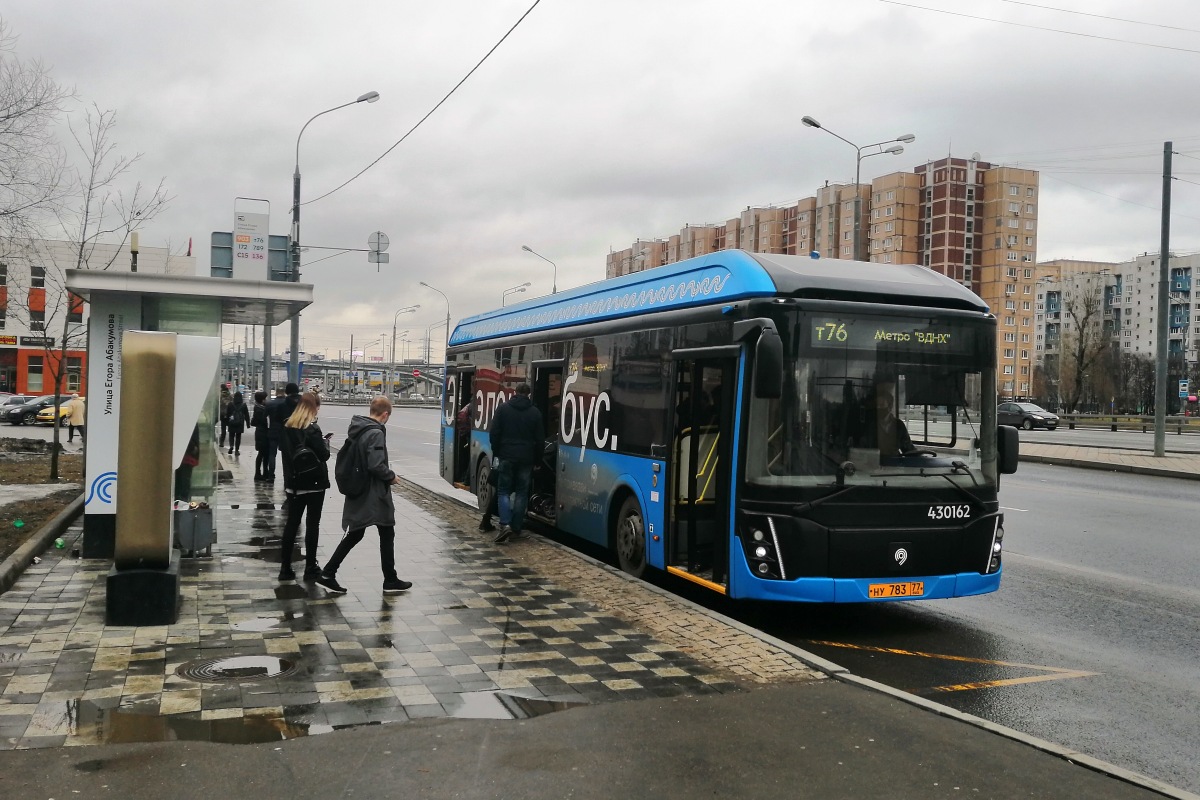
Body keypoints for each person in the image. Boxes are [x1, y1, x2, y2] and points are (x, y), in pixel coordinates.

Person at [315, 395, 411, 595]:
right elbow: (375, 464)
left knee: (372, 532)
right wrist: (391, 476)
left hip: (361, 489)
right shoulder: (375, 432)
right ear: (385, 414)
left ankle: (388, 578)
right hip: (373, 492)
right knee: (372, 532)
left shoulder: (359, 428)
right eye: (388, 416)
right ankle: (329, 573)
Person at [278, 392, 331, 582]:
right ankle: (310, 567)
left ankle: (285, 568)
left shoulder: (287, 426)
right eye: (317, 407)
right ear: (313, 408)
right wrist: (325, 442)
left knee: (292, 523)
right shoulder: (312, 429)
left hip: (293, 483)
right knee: (312, 524)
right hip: (314, 483)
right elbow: (324, 455)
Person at [489, 382, 543, 543]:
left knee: (503, 491)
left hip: (506, 456)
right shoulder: (535, 413)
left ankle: (505, 524)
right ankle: (516, 528)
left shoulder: (503, 409)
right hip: (526, 459)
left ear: (515, 392)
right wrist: (538, 460)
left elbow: (494, 433)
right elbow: (540, 440)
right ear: (528, 394)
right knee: (521, 492)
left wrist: (497, 452)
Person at [264, 383, 300, 483]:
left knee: (274, 455)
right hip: (298, 435)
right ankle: (296, 477)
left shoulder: (279, 405)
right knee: (296, 455)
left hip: (279, 433)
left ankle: (272, 476)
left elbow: (274, 419)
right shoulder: (302, 404)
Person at [875, 380, 915, 457]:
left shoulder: (899, 425)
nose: (878, 407)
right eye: (877, 405)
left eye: (882, 405)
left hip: (894, 463)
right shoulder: (872, 424)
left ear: (890, 406)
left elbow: (908, 448)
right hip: (875, 463)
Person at [251, 390, 270, 481]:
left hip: (261, 433)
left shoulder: (259, 407)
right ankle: (259, 473)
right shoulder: (260, 410)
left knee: (264, 454)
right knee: (262, 454)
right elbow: (264, 422)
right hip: (262, 434)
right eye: (265, 399)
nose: (266, 400)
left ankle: (263, 472)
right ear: (262, 400)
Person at [225, 391, 251, 456]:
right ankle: (236, 450)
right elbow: (246, 415)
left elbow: (227, 414)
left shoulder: (230, 404)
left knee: (231, 435)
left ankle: (231, 446)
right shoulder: (243, 405)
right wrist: (248, 424)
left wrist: (227, 423)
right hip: (240, 423)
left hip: (232, 422)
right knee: (238, 437)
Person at [217, 384, 232, 448]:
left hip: (222, 413)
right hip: (229, 413)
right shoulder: (229, 394)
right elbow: (231, 402)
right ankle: (231, 444)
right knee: (231, 429)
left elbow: (219, 403)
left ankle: (221, 442)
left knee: (223, 429)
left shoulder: (220, 395)